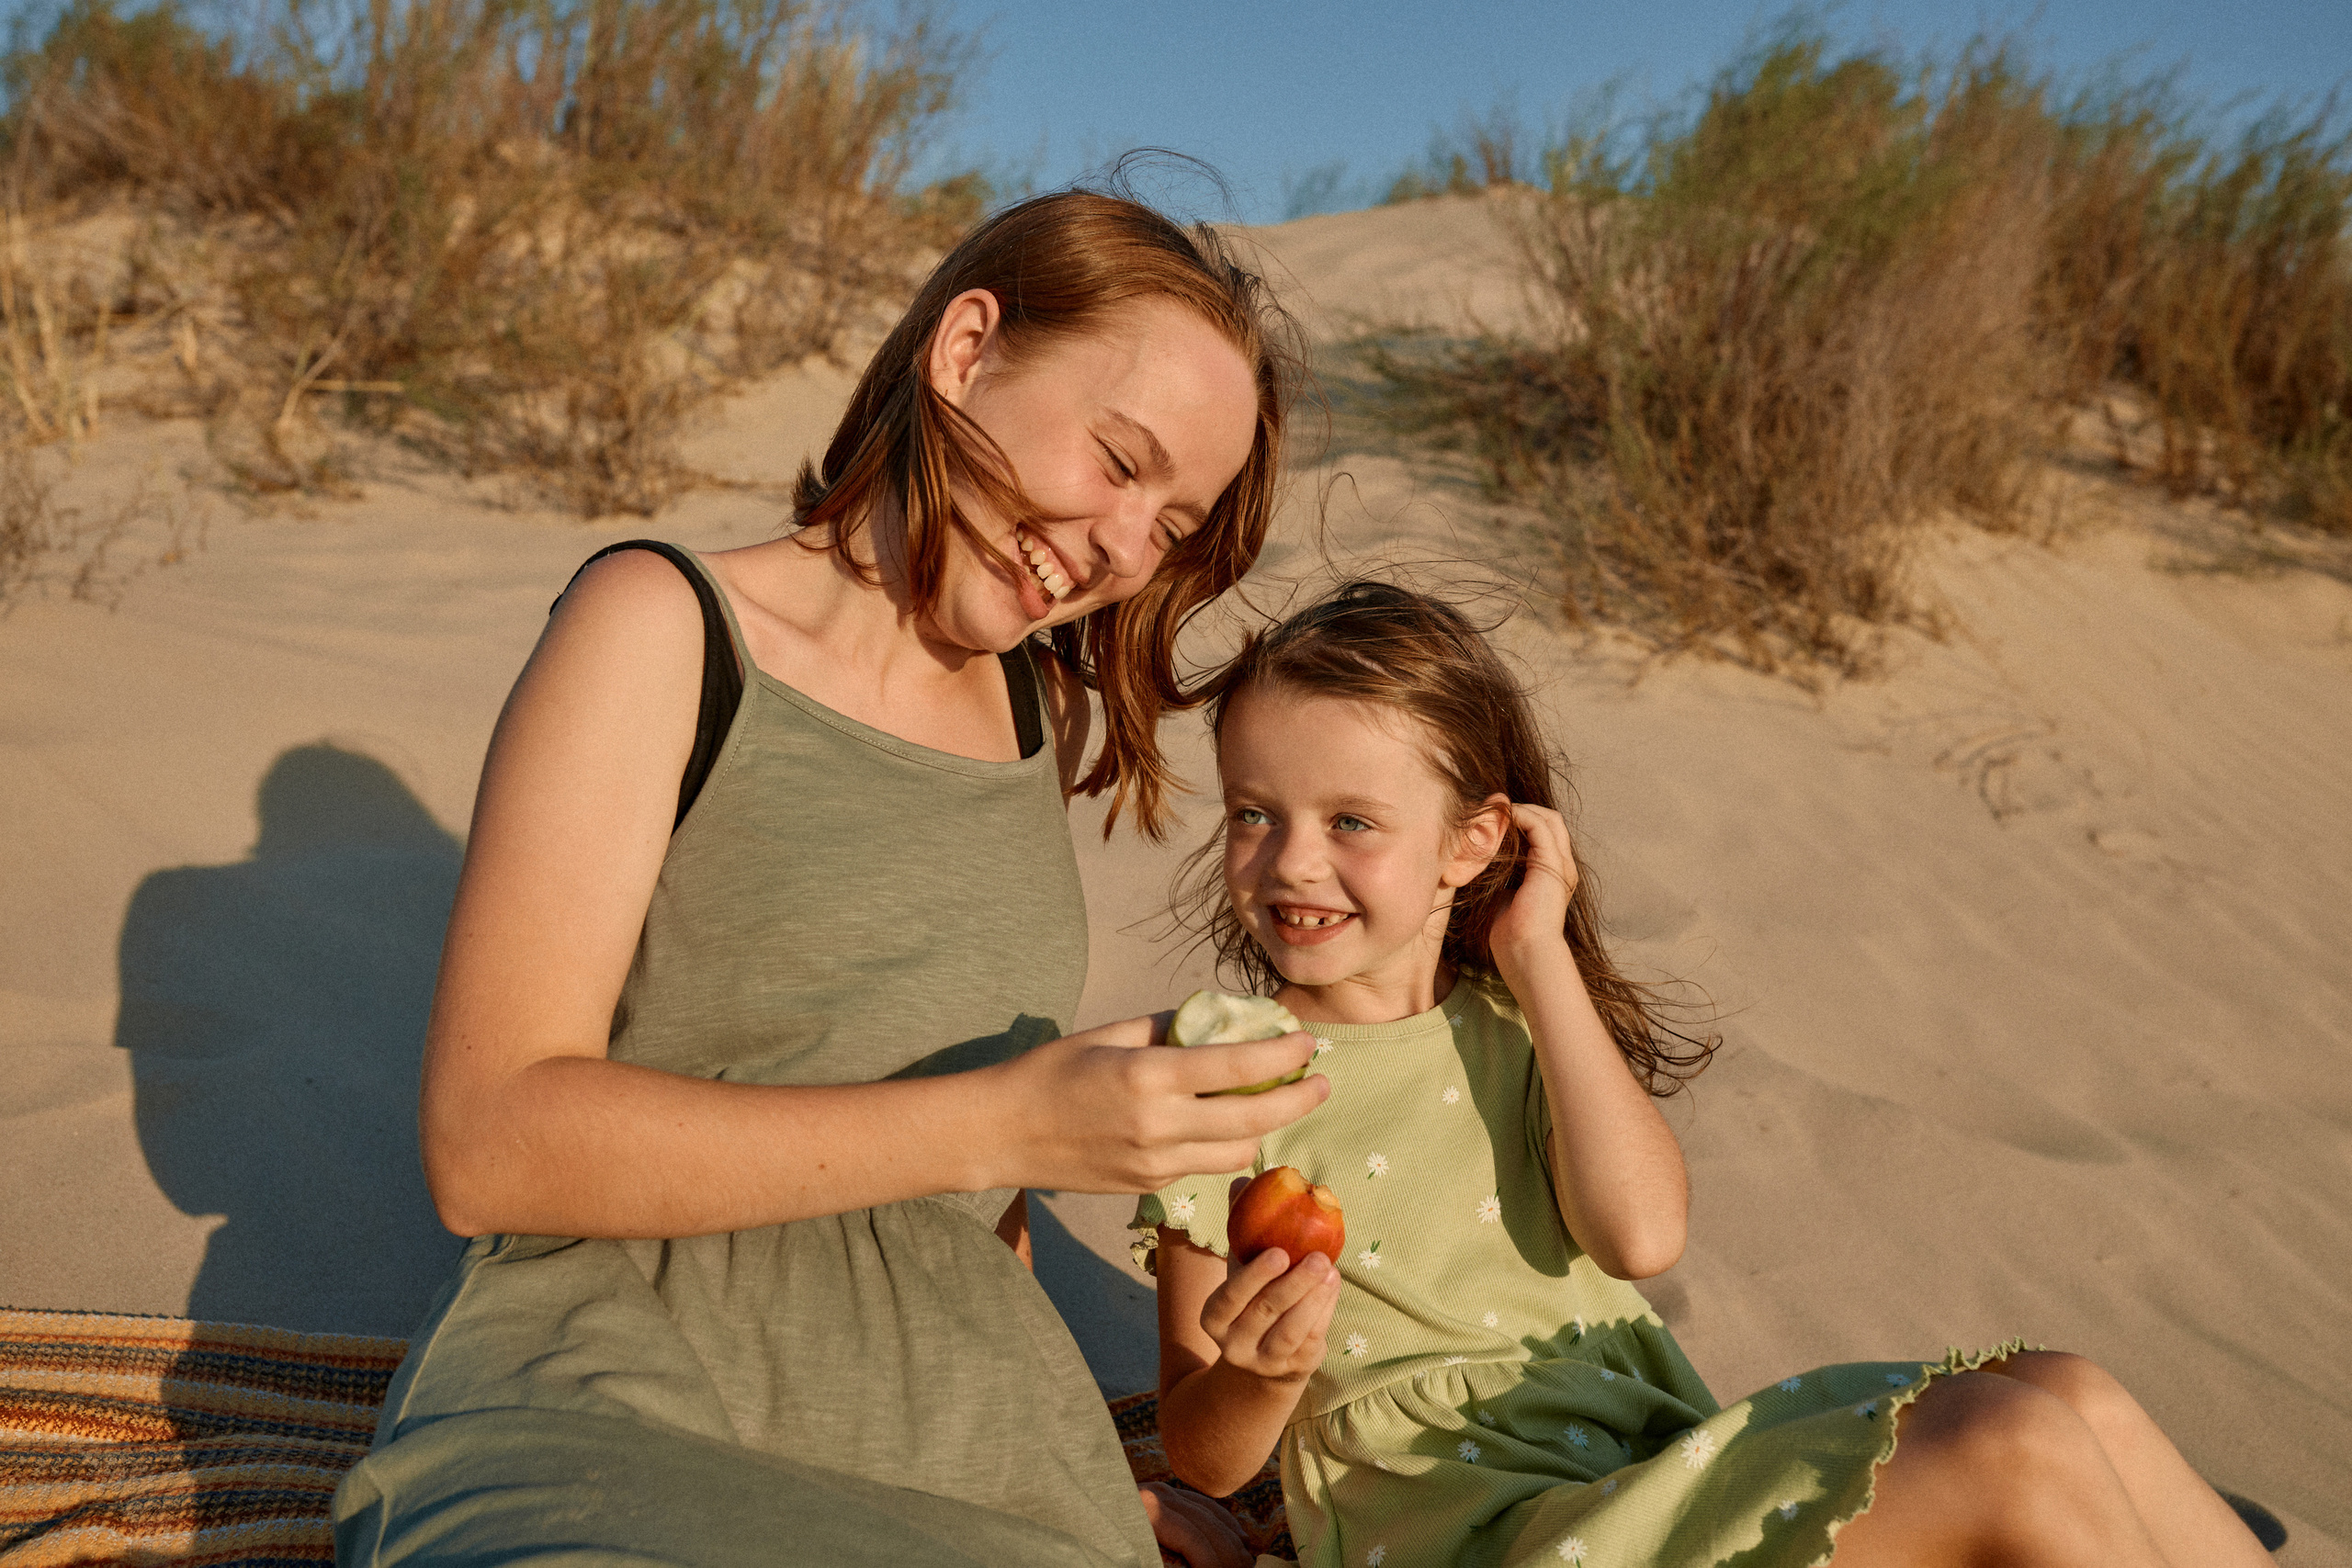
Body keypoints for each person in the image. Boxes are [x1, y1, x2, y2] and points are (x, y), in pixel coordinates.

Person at [331, 187, 1329, 1568]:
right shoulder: (664, 626)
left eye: (1172, 524)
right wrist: (1010, 1126)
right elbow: (488, 1140)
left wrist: (1071, 1465)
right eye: (1116, 458)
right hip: (627, 1400)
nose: (1120, 546)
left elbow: (978, 1207)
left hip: (986, 1451)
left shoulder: (1034, 721)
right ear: (966, 347)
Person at [1132, 581, 2273, 1568]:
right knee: (2007, 1445)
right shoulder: (1227, 1068)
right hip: (1483, 1537)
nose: (1290, 861)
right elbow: (1203, 1444)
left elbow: (1640, 1239)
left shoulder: (1512, 1021)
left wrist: (1538, 960)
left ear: (1471, 844)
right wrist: (1269, 1378)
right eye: (1251, 813)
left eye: (1351, 821)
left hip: (1645, 1484)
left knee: (2068, 1392)